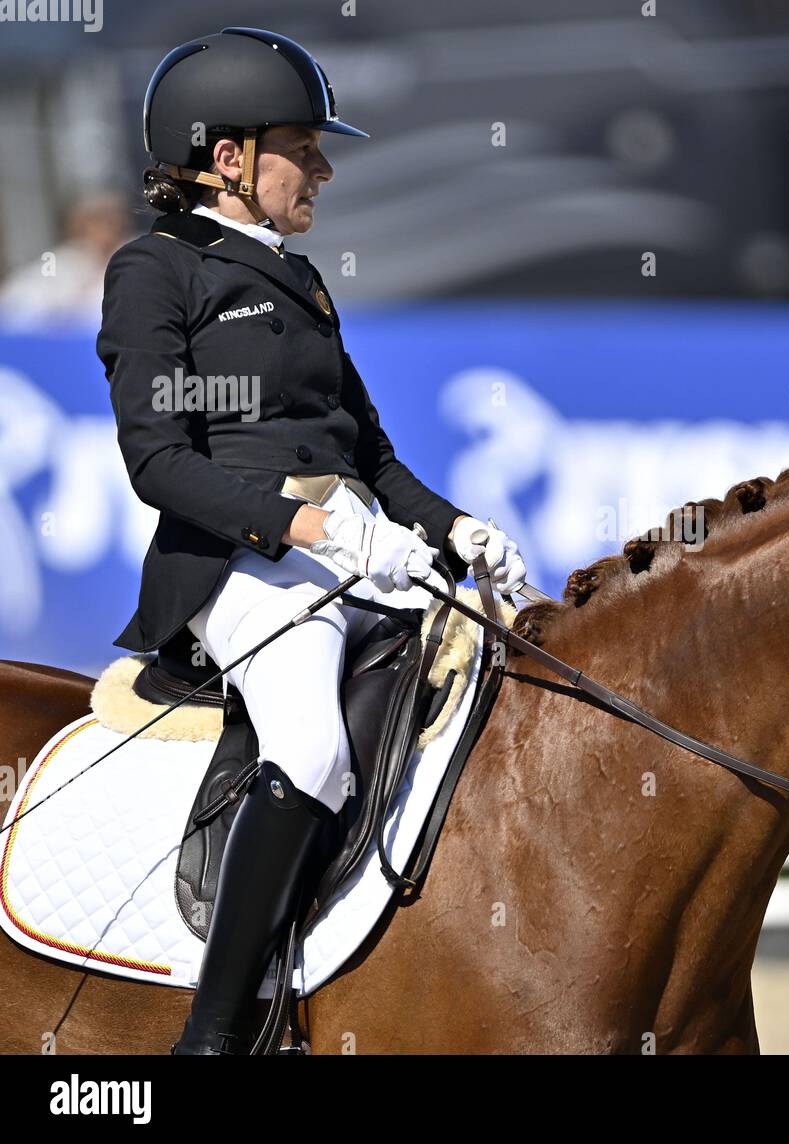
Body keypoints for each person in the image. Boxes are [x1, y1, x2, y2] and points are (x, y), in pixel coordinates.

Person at [97, 27, 525, 1054]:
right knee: (311, 745)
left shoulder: (300, 282)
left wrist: (452, 527)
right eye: (304, 143)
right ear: (230, 156)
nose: (324, 167)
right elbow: (158, 461)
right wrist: (308, 526)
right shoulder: (155, 271)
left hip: (345, 553)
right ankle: (212, 1034)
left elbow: (368, 451)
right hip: (238, 564)